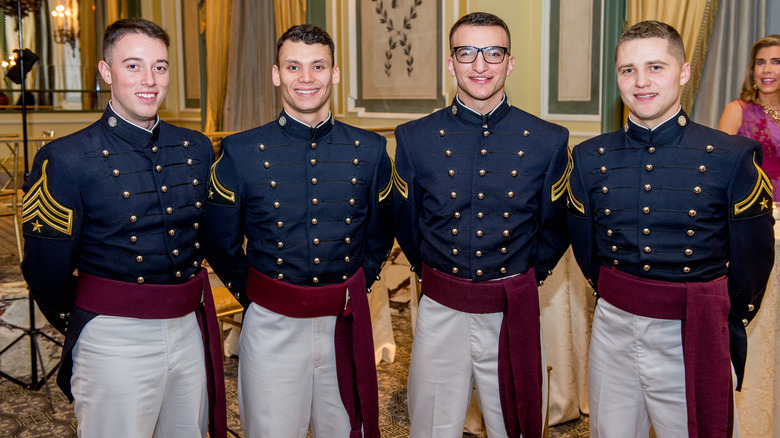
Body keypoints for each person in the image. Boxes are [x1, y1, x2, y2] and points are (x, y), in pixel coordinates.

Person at [567, 20, 775, 438]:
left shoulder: (731, 156)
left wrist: (720, 321)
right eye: (628, 70)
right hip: (612, 327)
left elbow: (753, 263)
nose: (641, 81)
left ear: (684, 72)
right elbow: (587, 251)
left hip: (693, 332)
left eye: (656, 67)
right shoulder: (589, 157)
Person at [20, 18, 225, 438]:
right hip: (113, 335)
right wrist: (92, 323)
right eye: (133, 66)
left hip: (188, 327)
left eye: (161, 67)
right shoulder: (66, 159)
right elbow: (45, 271)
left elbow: (204, 236)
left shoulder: (196, 148)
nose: (150, 80)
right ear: (105, 72)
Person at [202, 24, 393, 438]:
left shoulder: (370, 150)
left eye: (317, 66)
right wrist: (257, 293)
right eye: (293, 66)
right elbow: (220, 240)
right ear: (276, 74)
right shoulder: (241, 151)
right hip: (272, 325)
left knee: (346, 429)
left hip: (344, 321)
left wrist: (356, 286)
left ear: (335, 73)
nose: (306, 78)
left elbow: (380, 234)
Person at [392, 12, 570, 438]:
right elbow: (406, 222)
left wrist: (522, 278)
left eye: (493, 52)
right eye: (466, 52)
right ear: (451, 62)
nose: (480, 64)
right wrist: (437, 277)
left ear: (510, 62)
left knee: (517, 425)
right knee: (432, 425)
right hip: (440, 309)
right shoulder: (414, 138)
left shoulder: (548, 140)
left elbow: (556, 228)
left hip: (512, 310)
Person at [719, 34, 780, 201]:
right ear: (753, 71)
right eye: (761, 62)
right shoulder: (736, 110)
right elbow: (721, 167)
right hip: (753, 205)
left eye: (776, 62)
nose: (767, 69)